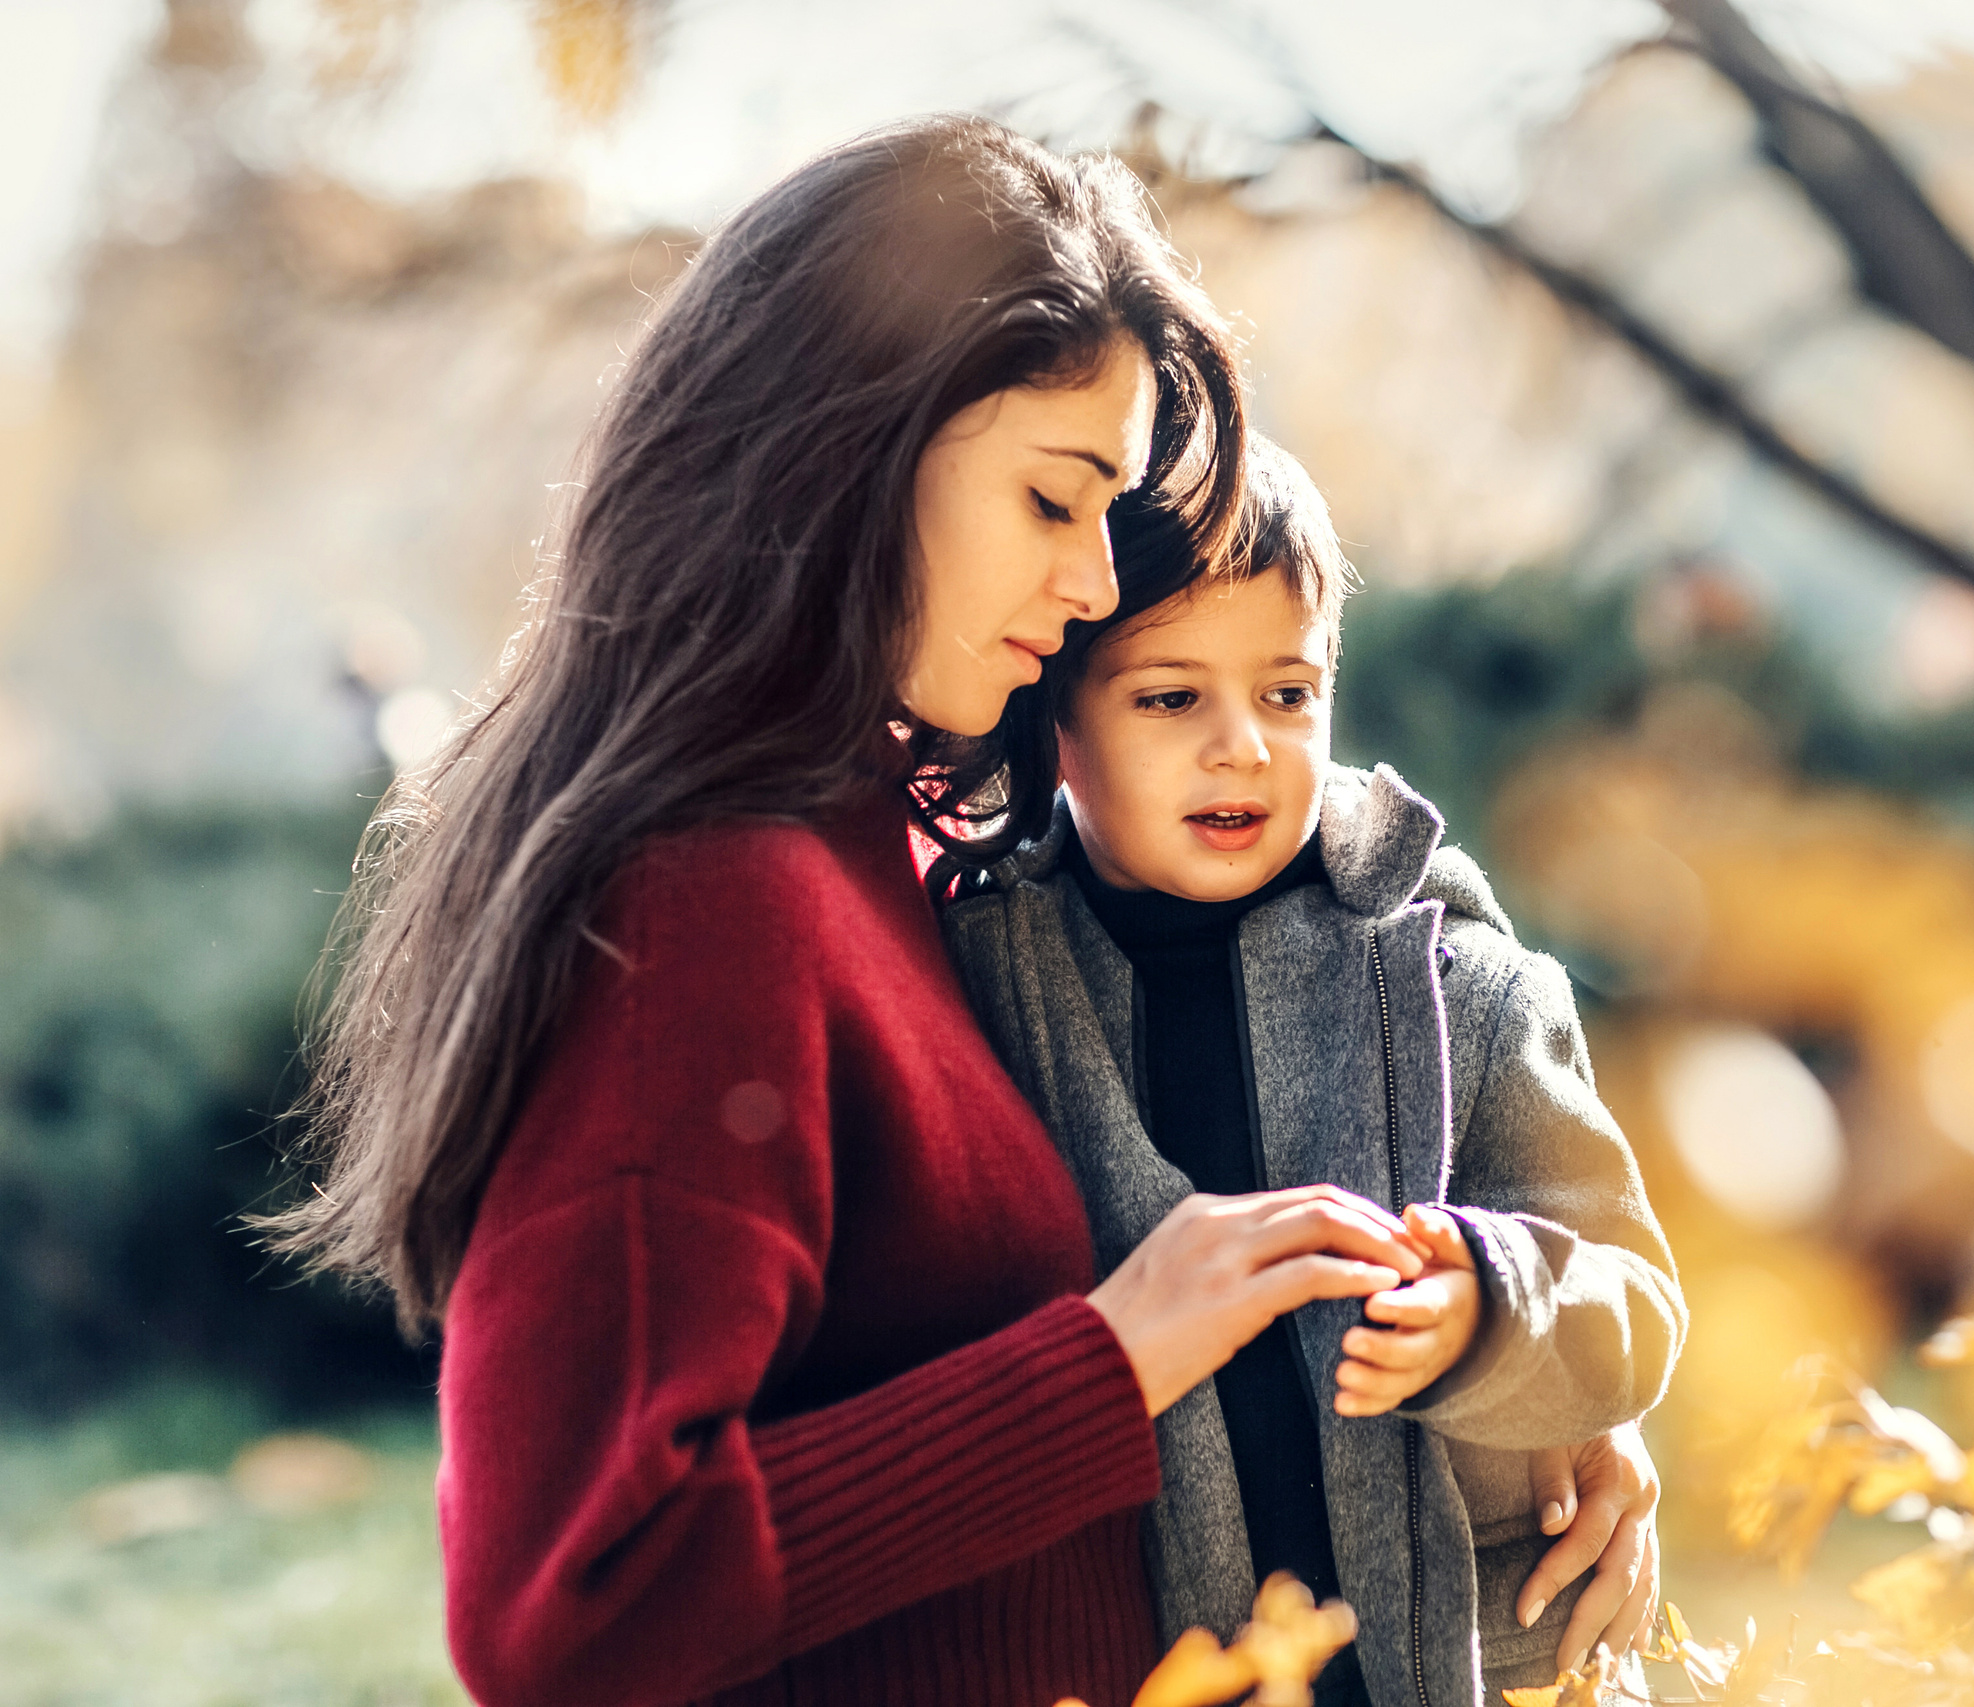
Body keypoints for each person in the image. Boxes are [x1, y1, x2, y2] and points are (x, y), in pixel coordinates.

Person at [259, 116, 1456, 1707]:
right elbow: (571, 1602)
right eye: (1054, 499)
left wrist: (1517, 1430)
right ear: (853, 452)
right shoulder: (698, 899)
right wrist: (1105, 1361)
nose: (1099, 580)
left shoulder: (870, 843)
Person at [938, 436, 1688, 1703]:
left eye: (1288, 694)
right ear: (1056, 722)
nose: (1243, 746)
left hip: (1473, 1663)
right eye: (1170, 699)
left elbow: (1636, 1304)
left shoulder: (1462, 990)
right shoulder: (992, 991)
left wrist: (1494, 1307)